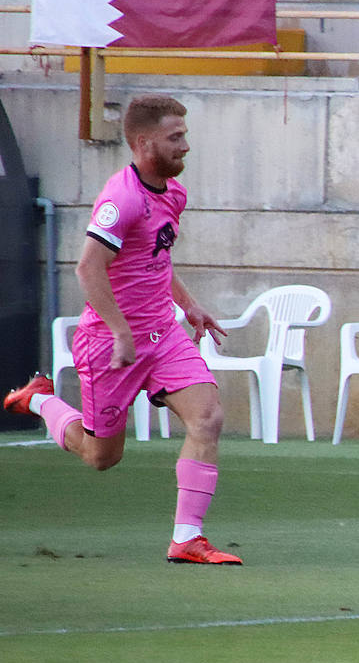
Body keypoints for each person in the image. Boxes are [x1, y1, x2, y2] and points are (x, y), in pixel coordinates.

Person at [3, 94, 241, 565]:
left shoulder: (173, 192)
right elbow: (89, 268)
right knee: (101, 456)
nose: (186, 146)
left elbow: (155, 256)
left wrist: (188, 306)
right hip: (109, 345)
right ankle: (41, 400)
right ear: (143, 141)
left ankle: (187, 538)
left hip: (163, 334)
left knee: (207, 417)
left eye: (184, 135)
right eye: (176, 137)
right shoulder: (121, 199)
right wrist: (120, 331)